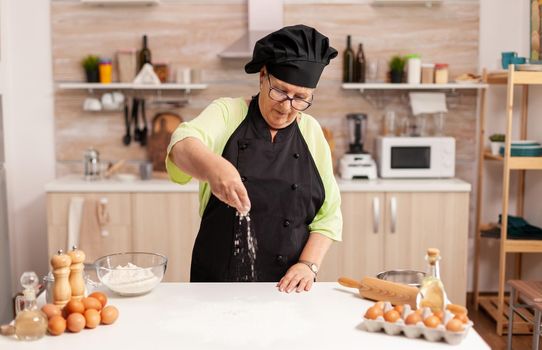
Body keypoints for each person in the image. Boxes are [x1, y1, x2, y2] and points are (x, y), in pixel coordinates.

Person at [166, 24, 342, 293]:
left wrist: (308, 264)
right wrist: (214, 168)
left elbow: (328, 216)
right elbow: (181, 146)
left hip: (288, 288)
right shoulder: (227, 112)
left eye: (300, 98)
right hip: (216, 286)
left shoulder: (312, 132)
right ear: (263, 76)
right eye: (280, 91)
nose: (286, 106)